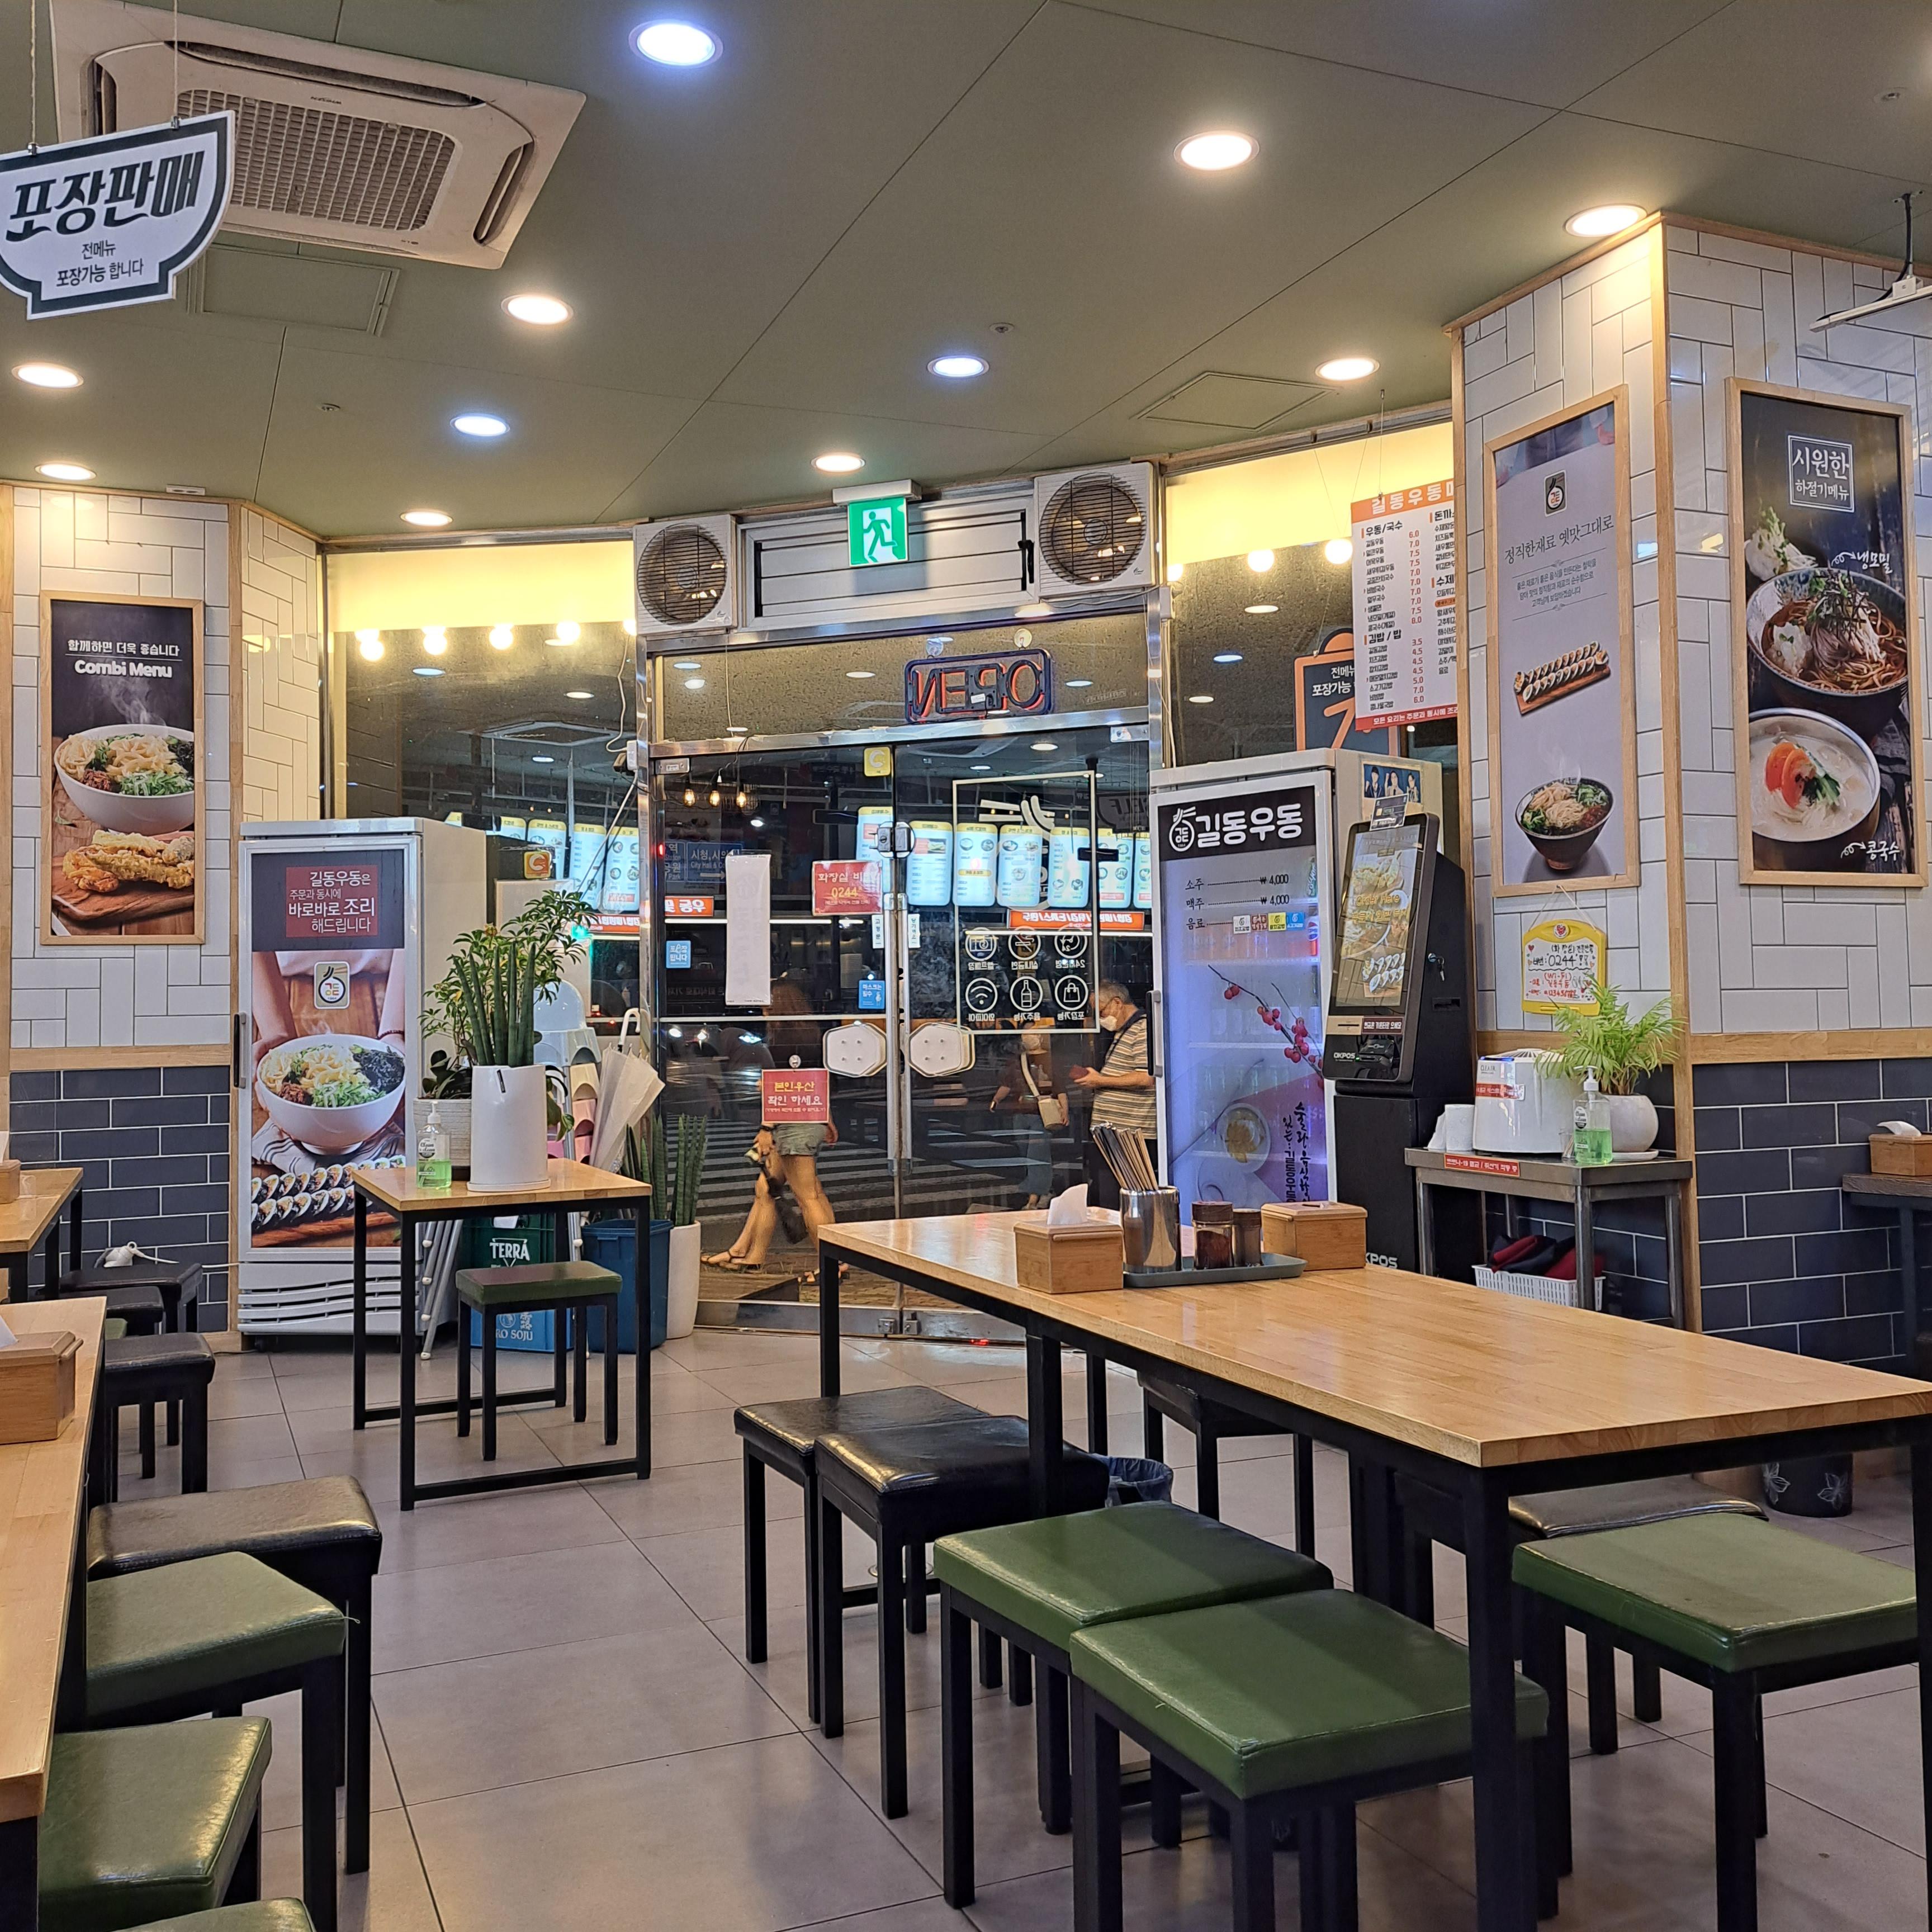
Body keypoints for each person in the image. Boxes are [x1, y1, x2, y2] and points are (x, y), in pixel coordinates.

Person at [704, 979, 838, 1270]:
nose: (763, 1010)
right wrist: (826, 1117)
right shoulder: (812, 1036)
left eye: (767, 1005)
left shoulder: (781, 1042)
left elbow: (783, 1088)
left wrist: (766, 1128)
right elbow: (814, 1081)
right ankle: (747, 1253)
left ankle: (832, 1266)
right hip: (807, 1119)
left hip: (791, 1126)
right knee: (767, 1190)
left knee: (808, 1197)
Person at [1068, 980, 1156, 1209]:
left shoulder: (1142, 1029)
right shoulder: (1123, 1031)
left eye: (1101, 1011)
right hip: (1116, 1134)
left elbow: (1146, 1077)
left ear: (1117, 1003)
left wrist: (1100, 1080)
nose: (1100, 1019)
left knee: (1117, 1198)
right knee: (1105, 1193)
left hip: (1131, 1134)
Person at [990, 1029, 1062, 1208]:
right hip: (1020, 1113)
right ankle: (1042, 1188)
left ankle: (1036, 1195)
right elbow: (1007, 1084)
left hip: (1041, 1113)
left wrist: (1064, 1109)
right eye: (1025, 1035)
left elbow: (1059, 1087)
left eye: (1032, 1034)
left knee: (1037, 1154)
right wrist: (996, 1100)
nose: (1027, 1038)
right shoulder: (1018, 1060)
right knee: (1027, 1154)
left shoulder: (1048, 1059)